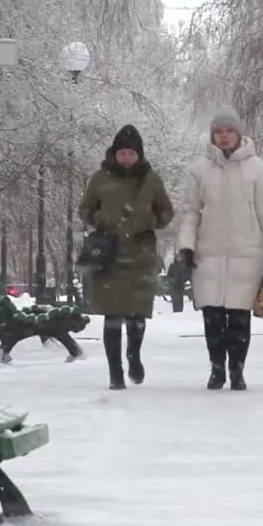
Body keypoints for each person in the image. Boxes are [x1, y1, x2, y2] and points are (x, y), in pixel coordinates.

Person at [177, 110, 263, 391]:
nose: (224, 136)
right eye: (219, 131)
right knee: (212, 316)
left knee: (239, 316)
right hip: (208, 253)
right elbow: (190, 212)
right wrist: (186, 246)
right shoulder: (199, 169)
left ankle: (237, 370)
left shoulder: (255, 168)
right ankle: (217, 369)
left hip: (245, 252)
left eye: (229, 131)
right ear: (213, 136)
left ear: (238, 134)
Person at [78, 124, 175, 390]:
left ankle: (134, 357)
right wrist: (101, 219)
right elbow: (85, 209)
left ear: (139, 154)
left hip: (141, 255)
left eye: (131, 153)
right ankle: (114, 372)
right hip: (109, 255)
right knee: (112, 315)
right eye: (122, 152)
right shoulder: (100, 178)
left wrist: (148, 219)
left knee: (136, 314)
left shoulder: (151, 180)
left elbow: (167, 213)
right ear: (114, 153)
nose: (126, 158)